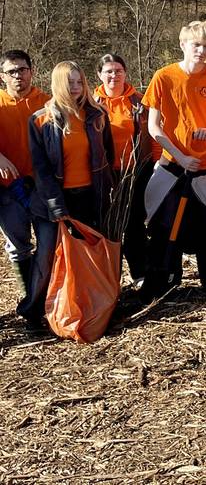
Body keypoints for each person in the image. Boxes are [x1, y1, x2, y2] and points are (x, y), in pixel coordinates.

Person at [142, 20, 206, 296]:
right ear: (183, 44)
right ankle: (162, 280)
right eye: (196, 45)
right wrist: (180, 157)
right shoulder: (164, 77)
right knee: (164, 224)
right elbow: (154, 127)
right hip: (173, 165)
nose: (201, 51)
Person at [24, 62, 116, 325]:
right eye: (70, 83)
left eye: (79, 82)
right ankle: (33, 310)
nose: (75, 88)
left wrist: (109, 190)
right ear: (58, 84)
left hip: (89, 197)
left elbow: (107, 156)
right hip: (51, 201)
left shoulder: (97, 115)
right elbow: (40, 169)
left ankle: (88, 308)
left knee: (87, 256)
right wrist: (55, 204)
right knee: (46, 256)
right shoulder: (41, 119)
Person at [93, 53, 152, 284]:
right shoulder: (90, 105)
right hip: (104, 175)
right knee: (108, 227)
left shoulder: (138, 101)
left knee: (135, 224)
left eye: (118, 70)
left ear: (125, 73)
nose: (114, 75)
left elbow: (151, 136)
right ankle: (110, 279)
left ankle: (140, 274)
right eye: (108, 71)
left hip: (134, 172)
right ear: (99, 75)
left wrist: (153, 165)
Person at [0, 51, 50, 315]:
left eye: (22, 69)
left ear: (32, 71)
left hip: (41, 188)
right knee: (19, 247)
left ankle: (44, 297)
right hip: (8, 189)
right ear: (2, 76)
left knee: (47, 246)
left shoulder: (46, 102)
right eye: (12, 71)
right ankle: (29, 299)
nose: (18, 75)